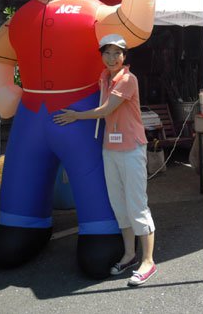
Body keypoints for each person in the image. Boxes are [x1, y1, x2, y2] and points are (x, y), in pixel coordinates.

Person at [0, 0, 157, 278]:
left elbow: (134, 27)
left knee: (93, 177)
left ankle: (102, 230)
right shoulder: (23, 17)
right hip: (31, 115)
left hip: (83, 111)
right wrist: (5, 94)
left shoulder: (93, 11)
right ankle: (22, 223)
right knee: (21, 175)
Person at [54, 34, 157, 287]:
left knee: (137, 205)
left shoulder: (128, 79)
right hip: (110, 149)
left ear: (124, 56)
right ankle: (129, 255)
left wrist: (76, 116)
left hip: (132, 148)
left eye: (117, 53)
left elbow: (106, 110)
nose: (112, 58)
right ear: (102, 56)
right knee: (119, 205)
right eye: (107, 53)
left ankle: (148, 261)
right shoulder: (104, 77)